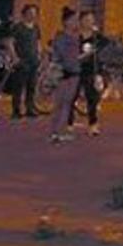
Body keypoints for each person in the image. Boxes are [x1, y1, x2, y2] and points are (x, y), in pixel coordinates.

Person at [48, 8, 83, 144]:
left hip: (74, 72)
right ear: (66, 22)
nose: (76, 22)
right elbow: (62, 56)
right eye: (74, 20)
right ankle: (55, 132)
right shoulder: (62, 37)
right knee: (60, 103)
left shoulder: (76, 37)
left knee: (67, 103)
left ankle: (60, 131)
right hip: (64, 73)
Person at [74, 11, 110, 136]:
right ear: (81, 21)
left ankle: (93, 125)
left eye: (91, 20)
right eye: (86, 20)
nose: (89, 22)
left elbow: (107, 45)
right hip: (76, 70)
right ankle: (68, 123)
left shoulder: (97, 37)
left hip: (92, 70)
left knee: (92, 99)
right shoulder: (75, 36)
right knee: (70, 97)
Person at [8, 4, 42, 119]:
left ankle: (30, 109)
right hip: (22, 61)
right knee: (18, 87)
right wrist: (14, 57)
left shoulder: (36, 28)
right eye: (30, 12)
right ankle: (16, 111)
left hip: (33, 61)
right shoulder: (18, 27)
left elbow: (38, 43)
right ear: (24, 13)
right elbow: (10, 43)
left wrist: (39, 54)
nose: (32, 15)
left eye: (34, 13)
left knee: (31, 86)